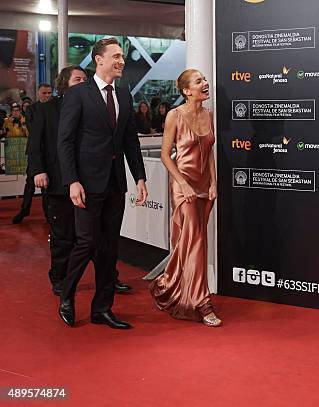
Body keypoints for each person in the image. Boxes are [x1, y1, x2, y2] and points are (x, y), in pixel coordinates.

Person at [57, 37, 147, 329]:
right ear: (99, 60)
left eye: (123, 56)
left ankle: (102, 309)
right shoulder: (78, 94)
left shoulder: (124, 95)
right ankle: (67, 296)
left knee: (109, 248)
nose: (122, 61)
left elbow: (129, 141)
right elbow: (65, 142)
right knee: (87, 243)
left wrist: (140, 177)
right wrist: (72, 181)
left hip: (115, 184)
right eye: (117, 56)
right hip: (85, 183)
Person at [150, 68, 220, 327]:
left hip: (204, 187)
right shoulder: (174, 116)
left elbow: (209, 152)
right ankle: (202, 303)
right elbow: (166, 156)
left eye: (204, 79)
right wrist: (183, 184)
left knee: (190, 243)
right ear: (186, 91)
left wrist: (213, 182)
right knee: (197, 242)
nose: (205, 83)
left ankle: (169, 285)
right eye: (199, 81)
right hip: (183, 187)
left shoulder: (208, 114)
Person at [27, 69, 87, 294]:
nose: (82, 83)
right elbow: (35, 144)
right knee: (62, 234)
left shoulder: (89, 107)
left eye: (85, 80)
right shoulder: (45, 109)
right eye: (77, 79)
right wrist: (38, 170)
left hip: (87, 181)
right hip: (57, 181)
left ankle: (109, 277)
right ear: (64, 84)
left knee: (94, 235)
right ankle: (59, 278)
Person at [12, 84, 53, 224]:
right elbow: (32, 129)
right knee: (30, 183)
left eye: (49, 93)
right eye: (44, 93)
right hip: (35, 152)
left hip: (50, 153)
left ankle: (48, 215)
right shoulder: (32, 109)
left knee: (47, 187)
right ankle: (24, 210)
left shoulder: (55, 107)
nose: (47, 95)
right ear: (38, 93)